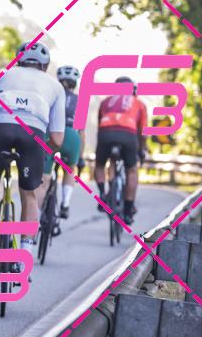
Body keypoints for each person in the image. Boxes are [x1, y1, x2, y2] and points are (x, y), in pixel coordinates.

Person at [0, 42, 65, 263]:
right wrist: (43, 153)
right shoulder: (55, 86)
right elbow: (57, 139)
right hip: (33, 136)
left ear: (18, 60)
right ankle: (24, 258)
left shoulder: (4, 75)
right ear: (45, 65)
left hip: (1, 130)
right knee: (29, 195)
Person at [93, 76, 147, 224]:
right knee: (131, 171)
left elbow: (99, 125)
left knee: (100, 165)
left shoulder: (105, 101)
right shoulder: (138, 103)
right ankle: (128, 210)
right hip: (128, 135)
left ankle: (103, 196)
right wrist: (142, 149)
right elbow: (143, 132)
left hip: (106, 133)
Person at [37, 65, 85, 222]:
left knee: (43, 181)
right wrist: (81, 157)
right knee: (70, 169)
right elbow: (82, 132)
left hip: (51, 134)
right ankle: (65, 204)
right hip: (71, 136)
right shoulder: (80, 101)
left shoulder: (51, 95)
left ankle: (35, 218)